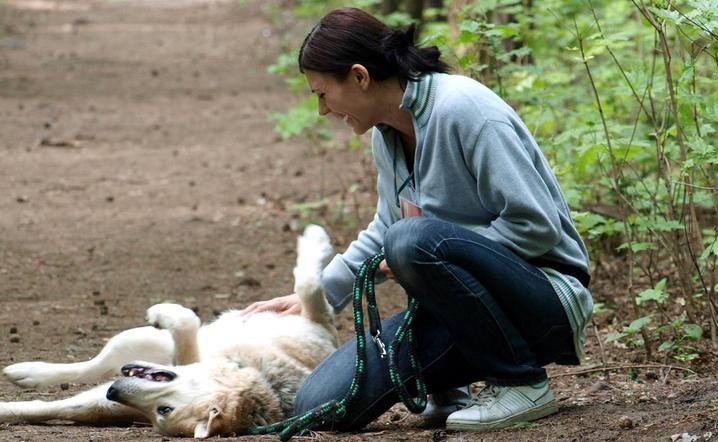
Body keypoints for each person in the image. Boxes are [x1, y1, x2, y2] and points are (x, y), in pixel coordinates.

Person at [242, 7, 594, 432]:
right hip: (460, 314)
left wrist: (430, 250)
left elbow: (536, 226)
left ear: (359, 76)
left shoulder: (465, 110)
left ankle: (521, 383)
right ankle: (453, 387)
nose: (322, 111)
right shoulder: (385, 133)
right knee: (319, 403)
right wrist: (318, 297)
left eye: (322, 94)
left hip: (545, 299)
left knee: (412, 241)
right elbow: (385, 229)